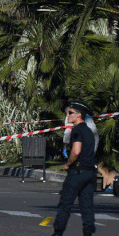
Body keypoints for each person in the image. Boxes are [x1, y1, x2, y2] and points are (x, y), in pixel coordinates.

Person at [52, 101, 97, 236]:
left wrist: (68, 164)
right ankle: (88, 232)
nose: (68, 115)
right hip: (90, 172)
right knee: (87, 205)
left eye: (70, 113)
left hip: (77, 171)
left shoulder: (77, 130)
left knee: (65, 203)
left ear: (79, 115)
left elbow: (76, 151)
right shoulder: (89, 131)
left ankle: (58, 232)